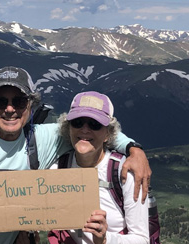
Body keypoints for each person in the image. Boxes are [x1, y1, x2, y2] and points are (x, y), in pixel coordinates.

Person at [0, 66, 151, 244]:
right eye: (0, 101)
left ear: (30, 104)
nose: (10, 109)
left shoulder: (42, 137)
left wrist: (134, 149)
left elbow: (91, 132)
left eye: (19, 101)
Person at [48, 91, 149, 244]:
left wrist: (105, 240)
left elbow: (142, 239)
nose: (85, 130)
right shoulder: (57, 169)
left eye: (94, 124)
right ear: (68, 128)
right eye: (77, 122)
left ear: (108, 134)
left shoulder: (125, 173)